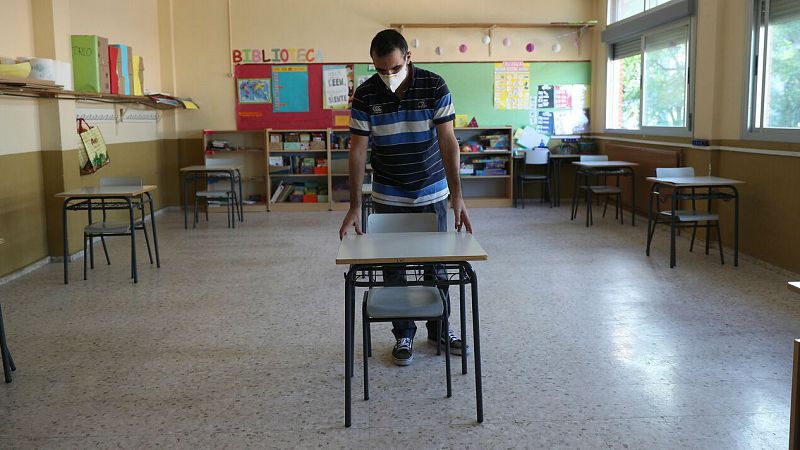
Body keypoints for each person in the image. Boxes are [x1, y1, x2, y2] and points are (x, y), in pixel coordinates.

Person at [338, 29, 473, 366]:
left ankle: (440, 328)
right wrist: (355, 206)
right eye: (381, 70)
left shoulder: (434, 85)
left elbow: (448, 142)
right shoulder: (366, 95)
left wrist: (458, 197)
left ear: (408, 58)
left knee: (437, 268)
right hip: (388, 195)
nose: (388, 76)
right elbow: (357, 151)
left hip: (432, 192)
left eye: (394, 68)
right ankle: (404, 335)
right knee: (393, 271)